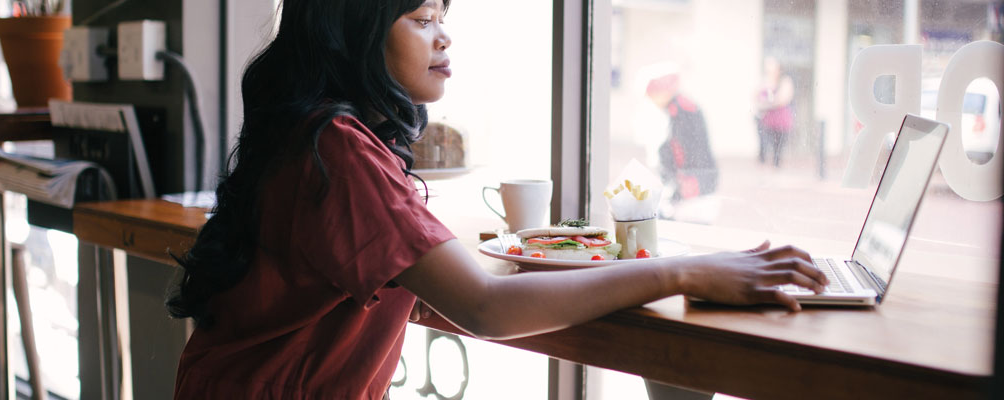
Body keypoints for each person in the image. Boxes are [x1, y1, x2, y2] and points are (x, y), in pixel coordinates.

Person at [167, 1, 827, 398]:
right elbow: (483, 306)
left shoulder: (313, 131)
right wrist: (684, 271)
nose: (444, 36)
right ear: (355, 31)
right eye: (422, 18)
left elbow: (440, 285)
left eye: (444, 18)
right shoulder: (340, 148)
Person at [644, 71, 720, 220]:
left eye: (654, 96)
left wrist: (683, 181)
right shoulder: (677, 108)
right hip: (695, 178)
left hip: (697, 180)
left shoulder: (682, 110)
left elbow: (686, 149)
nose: (653, 102)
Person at [755, 56, 795, 167]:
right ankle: (766, 164)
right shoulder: (765, 81)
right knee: (766, 143)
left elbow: (783, 99)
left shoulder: (785, 81)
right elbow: (756, 96)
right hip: (767, 119)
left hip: (781, 119)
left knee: (778, 147)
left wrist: (767, 103)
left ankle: (776, 165)